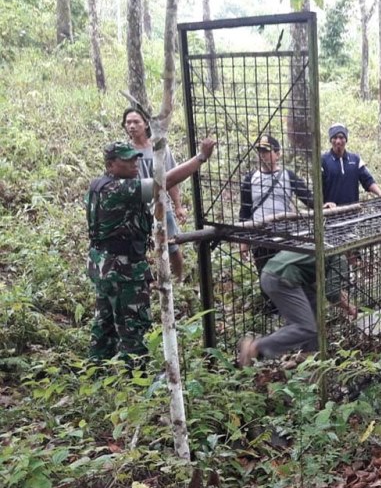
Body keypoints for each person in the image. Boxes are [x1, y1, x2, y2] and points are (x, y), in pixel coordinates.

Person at [86, 139, 216, 364]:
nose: (134, 163)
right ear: (111, 165)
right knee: (132, 324)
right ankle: (135, 375)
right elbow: (164, 181)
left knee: (104, 321)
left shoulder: (98, 185)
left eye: (135, 158)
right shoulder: (119, 189)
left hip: (103, 265)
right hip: (122, 269)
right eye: (127, 160)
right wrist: (200, 158)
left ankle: (96, 367)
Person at [236, 250, 357, 366]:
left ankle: (310, 352)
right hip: (282, 278)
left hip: (271, 273)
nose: (355, 263)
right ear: (351, 254)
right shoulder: (340, 257)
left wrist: (337, 292)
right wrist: (348, 306)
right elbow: (332, 294)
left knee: (313, 301)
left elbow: (319, 280)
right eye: (355, 259)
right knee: (305, 328)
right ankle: (257, 347)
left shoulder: (326, 246)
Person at [122, 107, 187, 280]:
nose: (132, 126)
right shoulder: (123, 151)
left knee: (171, 244)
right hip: (136, 207)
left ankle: (180, 279)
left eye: (136, 122)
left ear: (146, 124)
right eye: (128, 122)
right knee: (138, 246)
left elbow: (171, 179)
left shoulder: (159, 148)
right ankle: (148, 280)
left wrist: (178, 206)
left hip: (160, 205)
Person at [238, 135, 316, 274]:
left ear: (278, 154)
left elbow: (308, 198)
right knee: (264, 275)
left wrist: (322, 205)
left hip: (284, 236)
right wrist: (244, 241)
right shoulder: (250, 179)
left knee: (286, 274)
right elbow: (245, 212)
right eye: (260, 151)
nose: (263, 155)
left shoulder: (289, 176)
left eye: (267, 151)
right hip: (260, 237)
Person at [321, 123, 381, 205]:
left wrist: (380, 193)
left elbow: (367, 180)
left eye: (341, 137)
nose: (338, 141)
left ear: (346, 139)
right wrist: (322, 205)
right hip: (331, 212)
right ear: (330, 140)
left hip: (353, 211)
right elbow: (317, 189)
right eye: (335, 138)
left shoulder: (355, 159)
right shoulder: (323, 161)